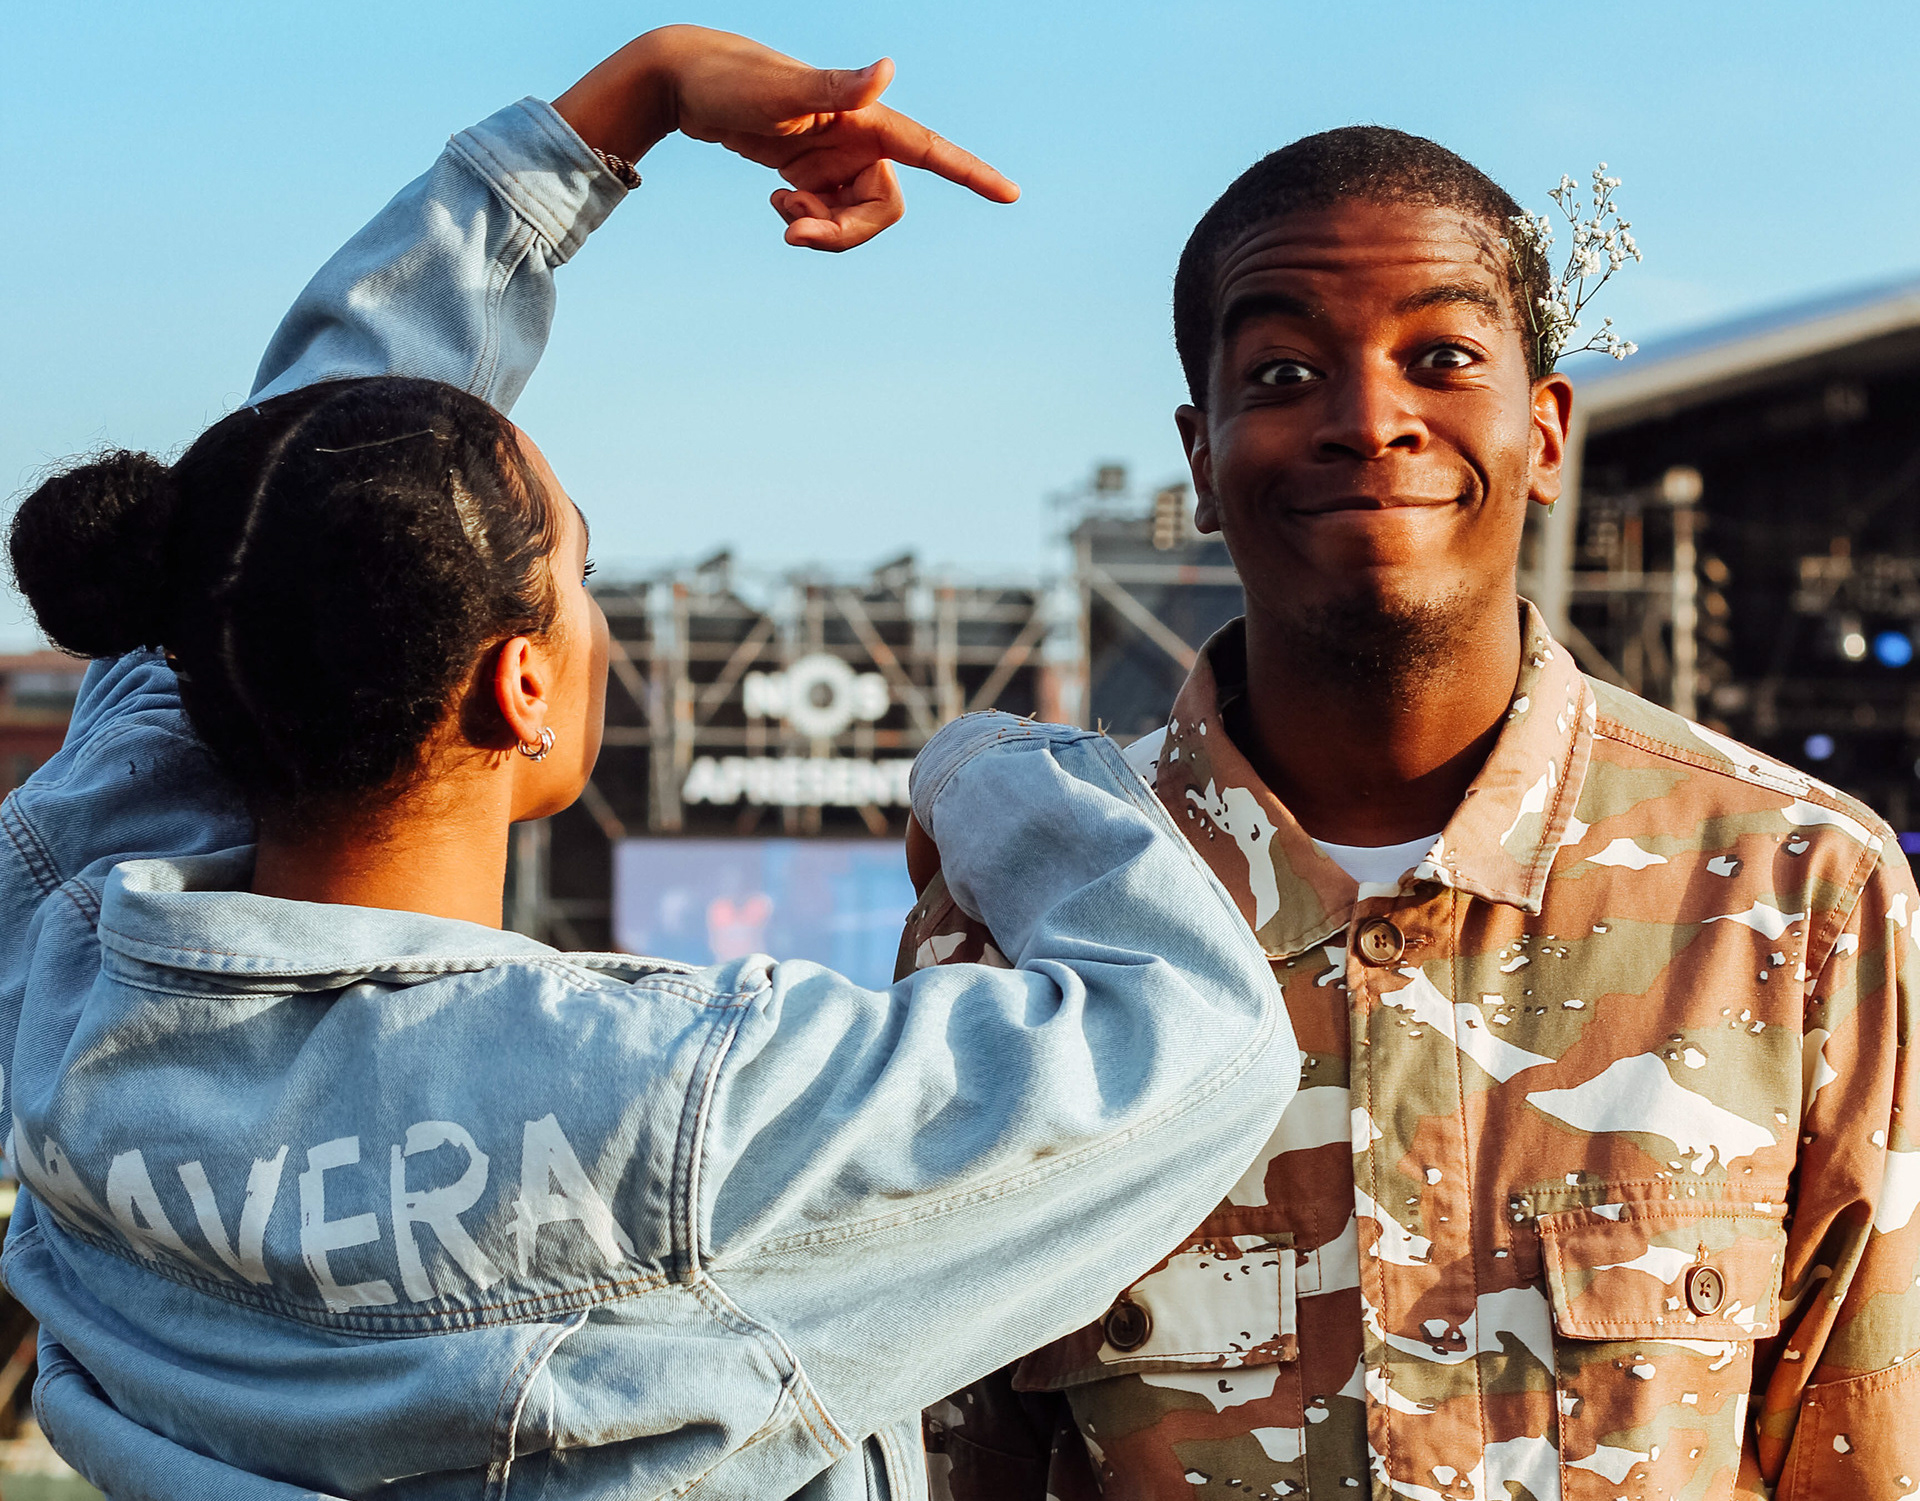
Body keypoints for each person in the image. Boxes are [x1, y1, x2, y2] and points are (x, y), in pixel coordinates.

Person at [0, 28, 1302, 1499]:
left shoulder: (66, 968)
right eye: (581, 571)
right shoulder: (670, 1105)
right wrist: (991, 768)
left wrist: (632, 102)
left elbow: (290, 493)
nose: (600, 613)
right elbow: (1201, 1046)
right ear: (522, 683)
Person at [902, 132, 1920, 1497]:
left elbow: (1868, 1455)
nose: (1368, 418)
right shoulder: (1027, 904)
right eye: (1282, 373)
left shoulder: (1799, 894)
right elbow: (949, 1457)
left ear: (1544, 431)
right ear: (1200, 458)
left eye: (1440, 357)